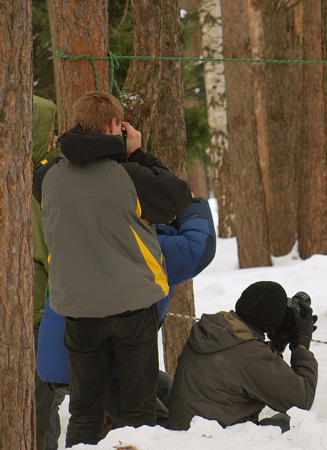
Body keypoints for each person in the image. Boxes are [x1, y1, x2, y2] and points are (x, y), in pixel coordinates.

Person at [32, 90, 192, 447]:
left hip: (78, 310)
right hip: (132, 308)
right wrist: (137, 152)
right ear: (115, 126)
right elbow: (177, 197)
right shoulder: (130, 175)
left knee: (85, 410)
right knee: (138, 411)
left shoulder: (48, 178)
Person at [36, 196, 216, 441]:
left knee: (166, 390)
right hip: (82, 360)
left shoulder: (106, 230)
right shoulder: (148, 244)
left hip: (74, 354)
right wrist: (192, 204)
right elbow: (199, 249)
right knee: (157, 430)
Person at [168, 281, 318, 432]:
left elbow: (240, 366)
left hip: (184, 433)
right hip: (215, 441)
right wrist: (301, 344)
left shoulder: (211, 329)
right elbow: (301, 400)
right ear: (273, 322)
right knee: (294, 422)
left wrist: (275, 346)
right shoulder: (250, 354)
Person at [32, 95, 64, 450]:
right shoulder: (40, 186)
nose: (56, 138)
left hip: (35, 312)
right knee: (39, 409)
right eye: (49, 130)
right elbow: (52, 255)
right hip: (39, 314)